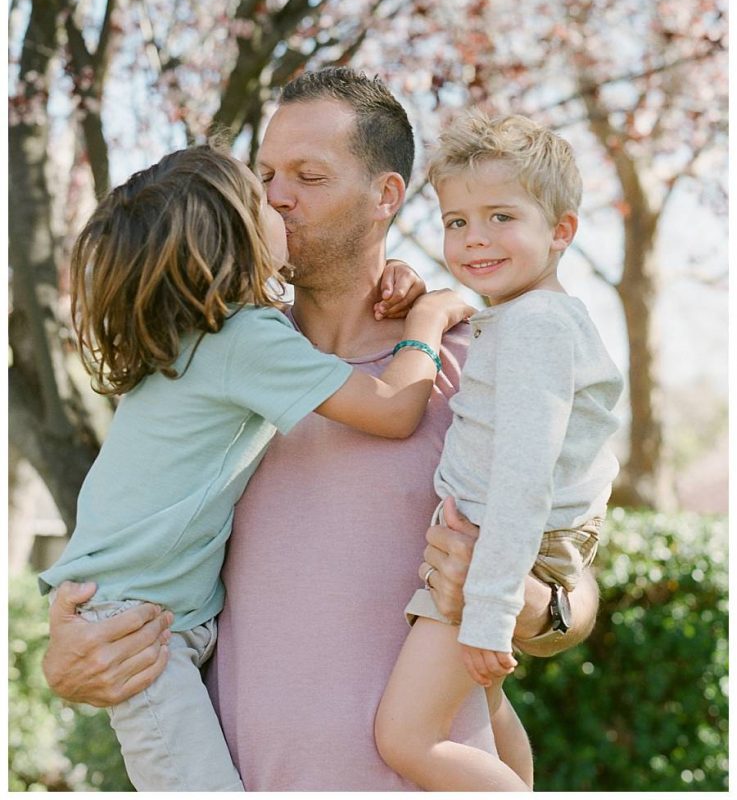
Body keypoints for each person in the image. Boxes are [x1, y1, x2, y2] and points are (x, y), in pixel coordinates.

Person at [43, 69, 600, 790]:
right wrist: (73, 661)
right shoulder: (210, 377)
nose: (276, 196)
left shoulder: (482, 370)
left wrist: (523, 602)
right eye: (267, 173)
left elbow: (574, 587)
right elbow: (134, 563)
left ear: (385, 197)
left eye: (308, 176)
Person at [38, 141, 472, 791]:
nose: (276, 199)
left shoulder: (201, 334)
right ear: (233, 236)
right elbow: (391, 409)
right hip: (135, 627)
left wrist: (397, 276)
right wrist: (430, 315)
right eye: (259, 188)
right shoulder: (243, 340)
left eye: (305, 174)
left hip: (141, 613)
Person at [375, 112, 623, 790]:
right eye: (456, 221)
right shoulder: (523, 319)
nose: (473, 238)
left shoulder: (535, 326)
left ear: (561, 232)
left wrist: (488, 608)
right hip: (497, 543)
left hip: (491, 548)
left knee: (405, 738)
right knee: (479, 712)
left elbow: (523, 474)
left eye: (500, 217)